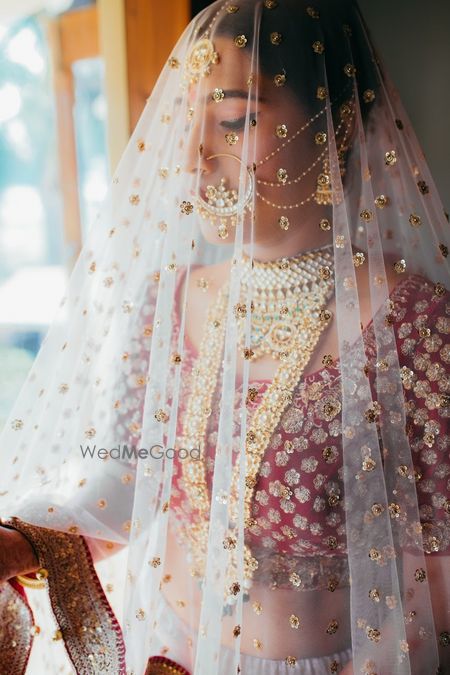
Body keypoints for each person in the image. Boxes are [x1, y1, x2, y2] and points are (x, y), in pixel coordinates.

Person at [0, 0, 449, 673]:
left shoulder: (416, 327)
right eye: (188, 122)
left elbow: (437, 567)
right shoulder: (169, 304)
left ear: (339, 123)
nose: (192, 157)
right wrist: (22, 540)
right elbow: (130, 475)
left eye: (234, 120)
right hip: (173, 654)